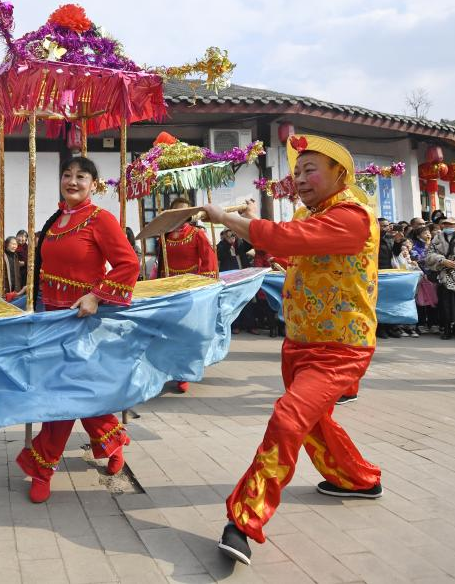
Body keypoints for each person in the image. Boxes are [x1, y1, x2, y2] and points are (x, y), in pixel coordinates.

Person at [201, 134, 382, 566]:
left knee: (288, 417)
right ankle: (357, 480)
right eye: (296, 171)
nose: (299, 178)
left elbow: (285, 239)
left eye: (310, 169)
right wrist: (255, 222)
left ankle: (243, 520)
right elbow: (297, 250)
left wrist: (224, 217)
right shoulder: (315, 215)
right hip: (301, 340)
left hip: (340, 347)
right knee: (314, 424)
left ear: (341, 173)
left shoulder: (352, 217)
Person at [16, 156, 140, 504]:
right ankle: (112, 442)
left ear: (94, 184)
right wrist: (30, 289)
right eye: (67, 175)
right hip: (50, 319)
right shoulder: (56, 220)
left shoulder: (102, 219)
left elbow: (129, 263)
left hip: (82, 322)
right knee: (76, 394)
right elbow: (47, 266)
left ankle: (42, 468)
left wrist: (97, 296)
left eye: (81, 176)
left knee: (63, 395)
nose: (72, 181)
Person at [157, 196, 219, 392]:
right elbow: (160, 265)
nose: (182, 216)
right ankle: (168, 369)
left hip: (190, 290)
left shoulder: (197, 234)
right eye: (177, 212)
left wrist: (206, 287)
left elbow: (209, 261)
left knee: (188, 331)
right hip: (169, 289)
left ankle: (184, 372)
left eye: (186, 212)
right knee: (169, 332)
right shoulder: (163, 235)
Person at [409, 228, 439, 334]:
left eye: (429, 232)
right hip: (421, 277)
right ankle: (421, 323)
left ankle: (433, 323)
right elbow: (416, 259)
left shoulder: (435, 246)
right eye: (425, 233)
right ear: (418, 236)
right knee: (421, 301)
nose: (428, 234)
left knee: (434, 301)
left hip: (434, 276)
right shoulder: (414, 247)